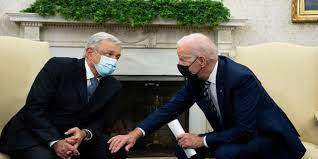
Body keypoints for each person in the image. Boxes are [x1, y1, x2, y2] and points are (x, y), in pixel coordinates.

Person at [107, 33, 306, 159]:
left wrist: (200, 141)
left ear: (201, 60)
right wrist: (135, 133)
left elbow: (245, 130)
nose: (180, 64)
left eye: (183, 59)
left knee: (224, 153)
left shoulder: (241, 78)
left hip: (267, 137)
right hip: (235, 133)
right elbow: (170, 108)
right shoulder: (197, 77)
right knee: (182, 150)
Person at [0, 32, 126, 159]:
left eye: (117, 57)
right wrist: (55, 141)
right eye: (109, 54)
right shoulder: (59, 67)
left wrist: (84, 133)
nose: (113, 60)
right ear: (90, 52)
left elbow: (103, 121)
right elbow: (34, 109)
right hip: (34, 134)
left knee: (116, 150)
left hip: (76, 139)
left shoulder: (113, 85)